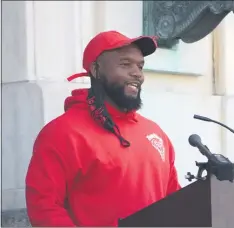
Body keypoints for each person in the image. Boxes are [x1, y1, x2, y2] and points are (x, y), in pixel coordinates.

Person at [25, 31, 181, 227]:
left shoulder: (155, 133)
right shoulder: (63, 133)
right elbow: (44, 206)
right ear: (96, 70)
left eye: (140, 66)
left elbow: (175, 200)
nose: (137, 73)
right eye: (125, 64)